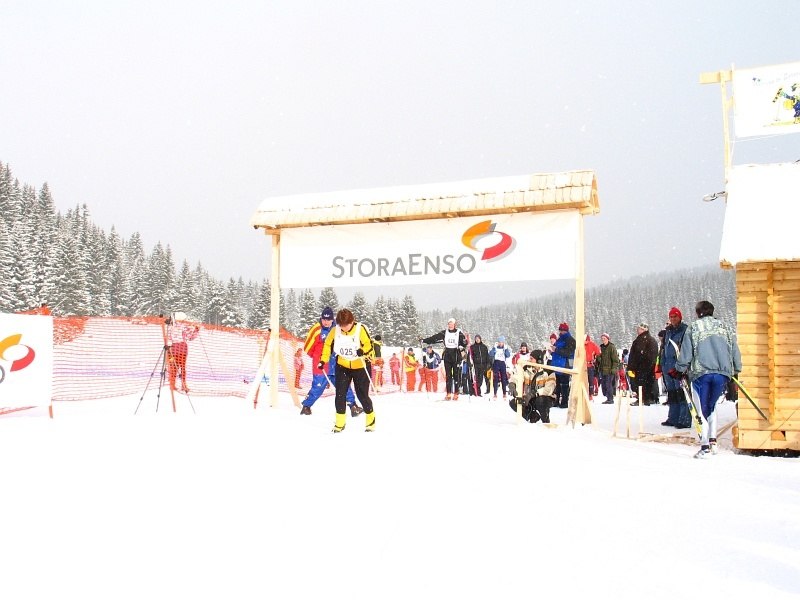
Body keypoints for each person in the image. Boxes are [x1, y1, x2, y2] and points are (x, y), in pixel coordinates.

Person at [672, 300, 742, 458]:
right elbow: (734, 349)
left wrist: (679, 369)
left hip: (701, 373)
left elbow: (687, 352)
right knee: (711, 406)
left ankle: (705, 446)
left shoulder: (694, 327)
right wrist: (736, 369)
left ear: (698, 312)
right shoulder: (724, 327)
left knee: (701, 409)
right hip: (722, 373)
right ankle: (713, 442)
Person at [319, 308, 376, 433]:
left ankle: (370, 421)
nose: (344, 328)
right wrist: (323, 360)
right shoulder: (335, 330)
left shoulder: (360, 329)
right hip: (342, 366)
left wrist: (363, 351)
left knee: (362, 395)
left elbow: (369, 345)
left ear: (352, 321)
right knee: (340, 395)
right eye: (341, 325)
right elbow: (327, 344)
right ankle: (339, 423)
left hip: (360, 366)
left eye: (346, 325)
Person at [299, 306, 362, 417]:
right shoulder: (316, 329)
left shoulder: (338, 328)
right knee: (318, 387)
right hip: (321, 365)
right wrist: (317, 357)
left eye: (328, 319)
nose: (326, 322)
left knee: (344, 385)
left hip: (336, 364)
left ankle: (353, 406)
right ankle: (306, 406)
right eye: (324, 319)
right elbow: (308, 347)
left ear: (333, 319)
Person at [421, 317, 467, 401]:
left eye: (452, 324)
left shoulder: (459, 333)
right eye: (449, 324)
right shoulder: (444, 332)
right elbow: (434, 338)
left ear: (454, 324)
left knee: (456, 375)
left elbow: (464, 344)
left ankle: (456, 393)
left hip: (456, 355)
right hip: (447, 355)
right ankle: (448, 393)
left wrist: (464, 342)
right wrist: (424, 340)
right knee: (448, 375)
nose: (450, 325)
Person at [661, 307, 691, 428]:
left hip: (679, 366)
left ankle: (684, 419)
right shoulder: (668, 331)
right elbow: (664, 348)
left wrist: (683, 366)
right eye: (671, 317)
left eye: (675, 317)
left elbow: (686, 349)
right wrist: (663, 364)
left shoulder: (685, 330)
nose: (673, 319)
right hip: (668, 366)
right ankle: (673, 417)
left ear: (680, 317)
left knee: (682, 393)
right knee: (672, 394)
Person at [507, 349, 554, 423]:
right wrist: (512, 384)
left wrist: (534, 394)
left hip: (544, 398)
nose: (529, 360)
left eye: (531, 358)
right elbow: (517, 376)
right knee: (514, 402)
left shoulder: (548, 371)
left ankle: (545, 421)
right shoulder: (526, 369)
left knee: (541, 401)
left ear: (539, 361)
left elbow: (549, 390)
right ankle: (532, 416)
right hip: (528, 398)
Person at [165, 315, 200, 393]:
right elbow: (190, 337)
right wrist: (196, 330)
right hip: (181, 350)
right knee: (182, 368)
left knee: (173, 367)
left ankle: (173, 384)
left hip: (173, 350)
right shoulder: (184, 327)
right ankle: (182, 385)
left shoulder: (171, 327)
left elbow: (168, 337)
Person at [628, 323, 659, 406]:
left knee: (643, 383)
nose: (637, 330)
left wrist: (641, 365)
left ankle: (645, 398)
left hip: (643, 367)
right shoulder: (640, 340)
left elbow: (650, 355)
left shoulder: (647, 340)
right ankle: (645, 398)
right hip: (642, 367)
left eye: (639, 329)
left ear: (644, 330)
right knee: (642, 383)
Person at [550, 322, 576, 408]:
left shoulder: (571, 340)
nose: (561, 332)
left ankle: (564, 402)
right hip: (558, 365)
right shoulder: (559, 339)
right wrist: (551, 351)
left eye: (562, 330)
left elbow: (568, 353)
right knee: (558, 384)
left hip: (565, 365)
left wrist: (556, 350)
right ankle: (557, 401)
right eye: (560, 330)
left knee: (564, 385)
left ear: (566, 330)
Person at [596, 333, 620, 404]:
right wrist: (598, 358)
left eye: (604, 338)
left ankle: (610, 399)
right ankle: (607, 396)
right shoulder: (602, 347)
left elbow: (615, 360)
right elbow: (600, 358)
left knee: (608, 384)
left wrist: (614, 369)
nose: (603, 340)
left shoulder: (611, 347)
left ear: (607, 339)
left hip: (610, 370)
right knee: (604, 385)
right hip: (602, 369)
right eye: (602, 339)